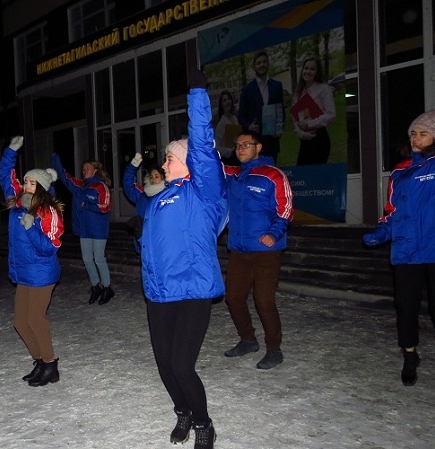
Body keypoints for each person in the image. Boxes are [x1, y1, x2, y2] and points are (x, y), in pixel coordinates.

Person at [363, 76, 435, 403]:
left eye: (423, 133)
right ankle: (410, 355)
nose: (415, 137)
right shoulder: (400, 172)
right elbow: (392, 211)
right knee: (405, 306)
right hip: (407, 249)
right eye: (413, 132)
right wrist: (382, 231)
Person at [140, 69, 226, 449]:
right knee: (164, 364)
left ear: (188, 162)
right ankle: (183, 412)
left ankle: (204, 423)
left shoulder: (204, 191)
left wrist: (197, 95)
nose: (164, 163)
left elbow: (202, 145)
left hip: (192, 287)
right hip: (160, 292)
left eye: (170, 157)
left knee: (181, 364)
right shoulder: (160, 198)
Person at [222, 131, 294, 369]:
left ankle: (274, 349)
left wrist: (273, 234)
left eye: (246, 144)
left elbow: (286, 209)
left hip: (265, 250)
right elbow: (210, 165)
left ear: (258, 147)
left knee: (264, 301)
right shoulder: (233, 174)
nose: (240, 148)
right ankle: (248, 340)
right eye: (237, 145)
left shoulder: (273, 175)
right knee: (233, 298)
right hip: (239, 250)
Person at [0, 136, 65, 387]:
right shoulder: (18, 204)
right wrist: (10, 151)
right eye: (25, 181)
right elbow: (5, 177)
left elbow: (50, 248)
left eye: (31, 182)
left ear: (42, 187)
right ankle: (40, 361)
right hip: (23, 272)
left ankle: (50, 364)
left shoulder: (49, 211)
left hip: (41, 273)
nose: (26, 185)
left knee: (36, 319)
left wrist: (32, 227)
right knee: (20, 322)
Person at [50, 153, 115, 305]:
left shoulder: (101, 186)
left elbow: (105, 207)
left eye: (87, 168)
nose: (84, 171)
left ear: (95, 170)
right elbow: (65, 177)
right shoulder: (80, 185)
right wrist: (55, 160)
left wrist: (88, 204)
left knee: (98, 258)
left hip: (98, 229)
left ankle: (107, 288)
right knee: (86, 259)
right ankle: (96, 286)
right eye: (83, 168)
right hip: (84, 229)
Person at [238, 51, 284, 163]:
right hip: (255, 141)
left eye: (264, 62)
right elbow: (241, 116)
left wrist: (279, 129)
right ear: (254, 67)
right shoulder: (247, 89)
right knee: (256, 171)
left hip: (272, 140)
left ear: (268, 64)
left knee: (271, 171)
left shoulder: (277, 86)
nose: (261, 65)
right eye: (258, 63)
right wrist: (249, 126)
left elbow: (281, 111)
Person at [292, 56, 336, 165]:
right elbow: (295, 119)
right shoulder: (299, 92)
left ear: (317, 72)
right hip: (305, 140)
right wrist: (302, 134)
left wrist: (310, 124)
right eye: (306, 68)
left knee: (317, 174)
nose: (308, 71)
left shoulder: (324, 89)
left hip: (319, 139)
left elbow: (330, 114)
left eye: (312, 69)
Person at [122, 156, 165, 253]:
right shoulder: (143, 195)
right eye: (151, 177)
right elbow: (128, 186)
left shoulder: (168, 195)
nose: (153, 179)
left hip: (160, 243)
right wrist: (132, 166)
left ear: (163, 177)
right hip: (143, 242)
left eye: (156, 176)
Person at [213, 89, 241, 164]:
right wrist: (229, 152)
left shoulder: (234, 117)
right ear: (221, 105)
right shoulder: (221, 124)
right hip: (229, 160)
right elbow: (217, 147)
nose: (228, 102)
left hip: (238, 156)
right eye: (224, 100)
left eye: (229, 99)